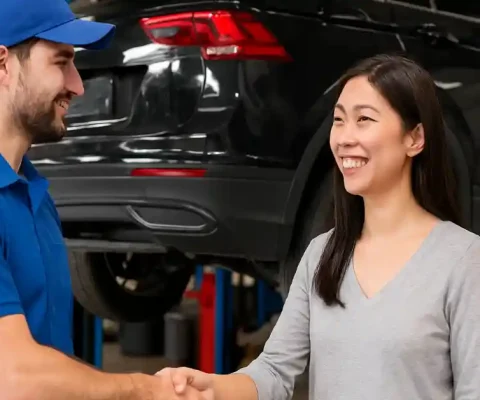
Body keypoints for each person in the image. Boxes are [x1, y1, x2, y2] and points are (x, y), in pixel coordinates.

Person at [158, 54, 480, 399]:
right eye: (339, 121)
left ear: (414, 138)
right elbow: (274, 371)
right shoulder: (323, 254)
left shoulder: (462, 259)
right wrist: (211, 387)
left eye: (364, 119)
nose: (344, 138)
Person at [0, 1, 204, 399]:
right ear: (3, 64)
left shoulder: (36, 198)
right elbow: (13, 376)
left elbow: (47, 360)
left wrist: (151, 387)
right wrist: (144, 390)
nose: (77, 85)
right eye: (61, 62)